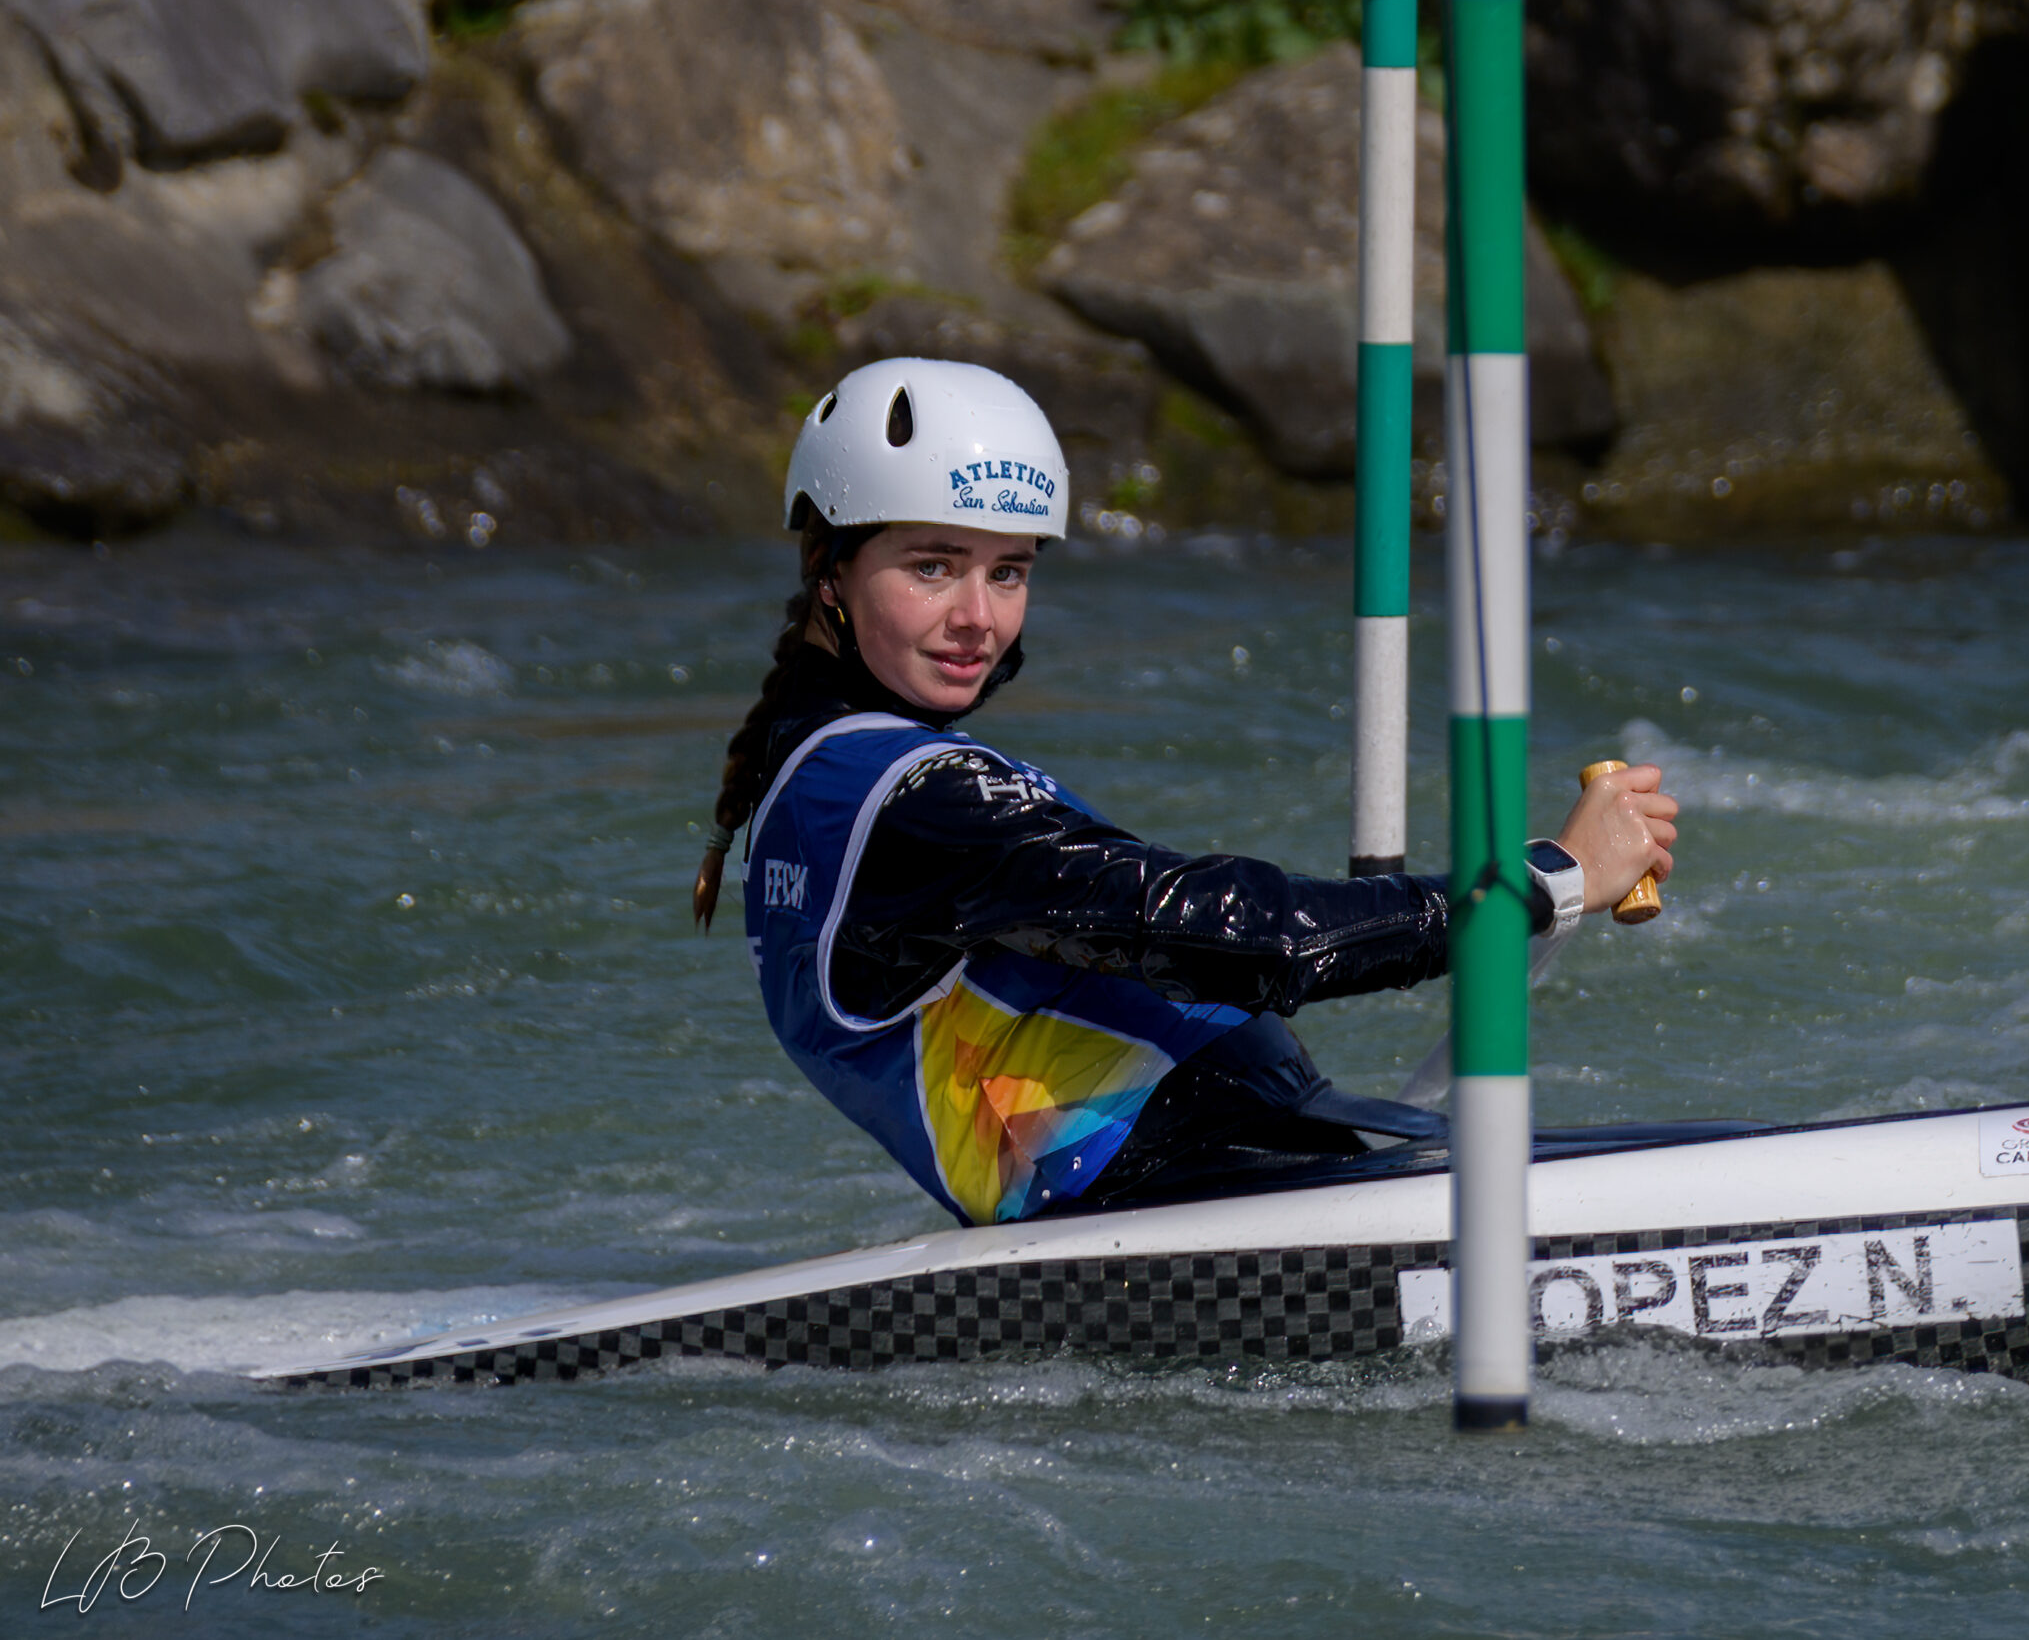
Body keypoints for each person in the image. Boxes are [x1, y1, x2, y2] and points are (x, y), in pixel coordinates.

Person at [694, 358, 1677, 1227]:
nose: (977, 618)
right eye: (932, 566)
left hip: (1221, 1174)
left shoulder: (824, 784)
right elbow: (1254, 938)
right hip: (1179, 1196)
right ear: (830, 570)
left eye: (1009, 572)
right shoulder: (910, 800)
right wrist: (1545, 882)